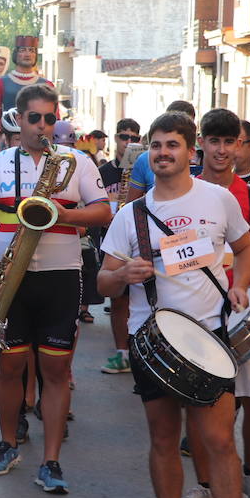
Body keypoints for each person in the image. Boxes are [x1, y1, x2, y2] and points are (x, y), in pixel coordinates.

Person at [98, 110, 250, 498]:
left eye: (172, 145)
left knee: (216, 439)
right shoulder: (131, 215)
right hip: (151, 338)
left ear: (190, 153)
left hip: (208, 335)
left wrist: (240, 283)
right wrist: (121, 275)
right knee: (163, 439)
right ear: (147, 154)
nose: (163, 153)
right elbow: (103, 283)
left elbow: (247, 247)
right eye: (156, 146)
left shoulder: (218, 199)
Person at [0, 84, 109, 489]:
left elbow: (103, 212)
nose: (44, 126)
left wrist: (63, 213)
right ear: (18, 119)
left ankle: (51, 460)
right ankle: (6, 442)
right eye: (35, 118)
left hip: (60, 276)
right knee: (10, 366)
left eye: (50, 118)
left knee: (56, 369)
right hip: (9, 278)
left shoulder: (77, 162)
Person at [181, 111, 250, 498]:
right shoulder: (182, 193)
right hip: (198, 309)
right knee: (200, 402)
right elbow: (176, 255)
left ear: (243, 146)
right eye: (215, 141)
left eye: (231, 142)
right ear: (201, 143)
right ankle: (205, 485)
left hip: (244, 310)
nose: (222, 150)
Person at [98, 119, 141, 374]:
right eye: (124, 136)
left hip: (137, 238)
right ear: (115, 138)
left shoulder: (144, 168)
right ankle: (121, 353)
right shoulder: (104, 172)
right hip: (111, 237)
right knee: (117, 299)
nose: (128, 142)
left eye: (134, 138)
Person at [0, 36, 52, 140]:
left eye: (31, 50)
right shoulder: (0, 83)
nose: (27, 54)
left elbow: (54, 117)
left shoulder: (47, 85)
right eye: (23, 50)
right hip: (10, 139)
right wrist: (5, 131)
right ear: (16, 54)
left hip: (39, 139)